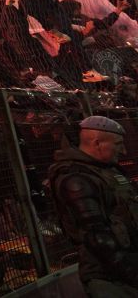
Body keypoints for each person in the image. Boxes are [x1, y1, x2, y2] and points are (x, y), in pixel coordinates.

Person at [48, 116, 138, 296]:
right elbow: (97, 238)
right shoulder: (76, 180)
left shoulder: (106, 171)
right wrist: (133, 274)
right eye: (118, 144)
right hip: (109, 276)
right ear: (97, 143)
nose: (123, 150)